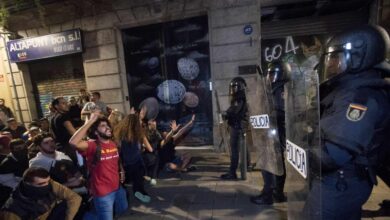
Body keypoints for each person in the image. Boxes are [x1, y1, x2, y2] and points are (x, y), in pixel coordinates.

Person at [303, 25, 390, 219]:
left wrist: (301, 152)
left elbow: (331, 156)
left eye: (336, 58)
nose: (331, 65)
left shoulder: (360, 98)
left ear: (359, 57)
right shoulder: (346, 90)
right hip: (340, 181)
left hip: (340, 182)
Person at [69, 111, 128, 220]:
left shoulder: (112, 143)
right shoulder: (92, 145)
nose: (108, 128)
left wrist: (121, 170)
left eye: (108, 125)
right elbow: (73, 142)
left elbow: (116, 159)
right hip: (102, 192)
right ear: (96, 132)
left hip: (117, 187)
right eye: (103, 126)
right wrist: (91, 121)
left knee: (123, 208)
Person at [250, 62, 288, 205]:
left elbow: (280, 111)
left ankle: (268, 196)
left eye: (273, 74)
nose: (270, 77)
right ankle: (277, 193)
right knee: (277, 164)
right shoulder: (271, 89)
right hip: (270, 133)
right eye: (269, 74)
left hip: (275, 132)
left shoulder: (281, 89)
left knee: (269, 164)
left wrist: (266, 115)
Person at [0, 166, 81, 220]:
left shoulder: (48, 183)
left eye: (48, 182)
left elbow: (74, 197)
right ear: (28, 185)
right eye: (41, 184)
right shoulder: (12, 211)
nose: (47, 185)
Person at [113, 107, 152, 203]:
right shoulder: (138, 134)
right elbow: (150, 149)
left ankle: (133, 192)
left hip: (126, 162)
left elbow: (118, 149)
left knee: (131, 179)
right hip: (137, 161)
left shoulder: (120, 134)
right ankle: (139, 191)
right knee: (138, 179)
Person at [220, 77, 249, 180]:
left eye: (235, 87)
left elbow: (235, 112)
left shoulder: (240, 97)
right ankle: (246, 166)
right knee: (241, 148)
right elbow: (232, 109)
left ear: (240, 87)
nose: (233, 89)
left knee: (234, 151)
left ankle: (232, 173)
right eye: (232, 87)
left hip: (237, 126)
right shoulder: (240, 97)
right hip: (238, 125)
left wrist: (226, 115)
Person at [50, 97, 78, 164]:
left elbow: (52, 134)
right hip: (69, 148)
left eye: (66, 102)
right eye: (63, 103)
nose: (66, 104)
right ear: (56, 106)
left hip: (60, 148)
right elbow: (73, 132)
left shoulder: (53, 117)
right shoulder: (63, 116)